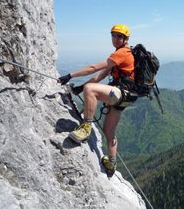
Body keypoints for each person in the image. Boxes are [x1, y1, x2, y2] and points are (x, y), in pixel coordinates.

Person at [58, 23, 136, 177]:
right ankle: (112, 162)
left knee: (90, 90)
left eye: (119, 36)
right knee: (109, 132)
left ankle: (85, 128)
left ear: (125, 39)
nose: (115, 38)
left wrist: (70, 76)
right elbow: (99, 77)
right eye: (113, 35)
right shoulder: (121, 55)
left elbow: (94, 68)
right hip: (127, 97)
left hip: (121, 94)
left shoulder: (122, 53)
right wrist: (81, 87)